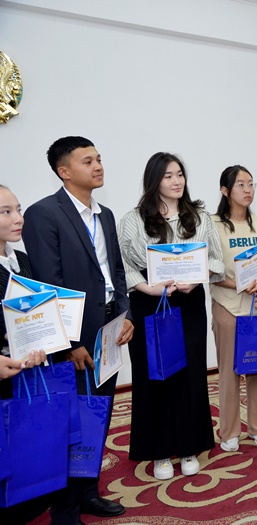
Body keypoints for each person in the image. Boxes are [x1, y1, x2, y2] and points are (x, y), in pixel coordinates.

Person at [23, 136, 134, 524]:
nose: (98, 166)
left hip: (109, 329)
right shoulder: (43, 214)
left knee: (97, 414)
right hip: (73, 338)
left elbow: (115, 271)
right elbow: (48, 285)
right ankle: (65, 511)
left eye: (99, 158)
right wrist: (69, 343)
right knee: (71, 423)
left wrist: (126, 314)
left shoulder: (105, 214)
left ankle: (88, 492)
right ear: (64, 171)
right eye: (88, 161)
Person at [118, 152, 224, 481]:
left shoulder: (200, 217)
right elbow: (123, 267)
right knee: (155, 375)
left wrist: (197, 279)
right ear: (154, 181)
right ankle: (160, 451)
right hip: (149, 303)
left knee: (190, 373)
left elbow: (217, 262)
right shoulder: (133, 219)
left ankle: (189, 446)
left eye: (179, 174)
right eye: (168, 176)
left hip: (188, 303)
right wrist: (148, 289)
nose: (176, 181)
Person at [210, 165, 257, 451]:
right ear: (225, 191)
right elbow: (209, 270)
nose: (248, 190)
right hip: (228, 306)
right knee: (229, 371)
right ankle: (230, 431)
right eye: (241, 185)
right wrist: (236, 283)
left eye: (251, 184)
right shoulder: (212, 225)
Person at [0, 184, 48, 525]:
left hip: (24, 374)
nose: (19, 218)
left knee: (24, 448)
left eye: (18, 209)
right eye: (6, 212)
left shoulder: (23, 261)